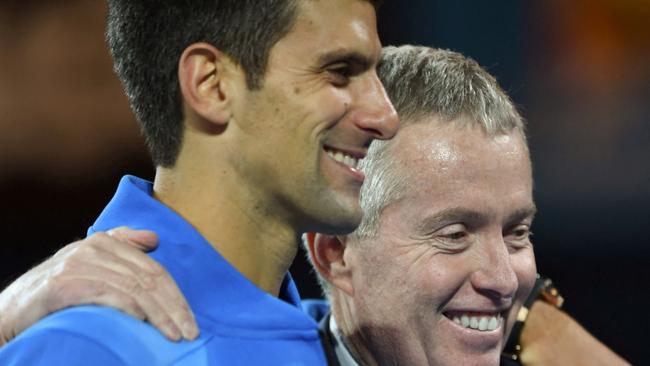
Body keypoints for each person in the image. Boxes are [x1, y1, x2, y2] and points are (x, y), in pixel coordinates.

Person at [0, 0, 398, 365]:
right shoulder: (92, 347)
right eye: (341, 73)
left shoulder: (348, 341)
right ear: (212, 85)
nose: (385, 117)